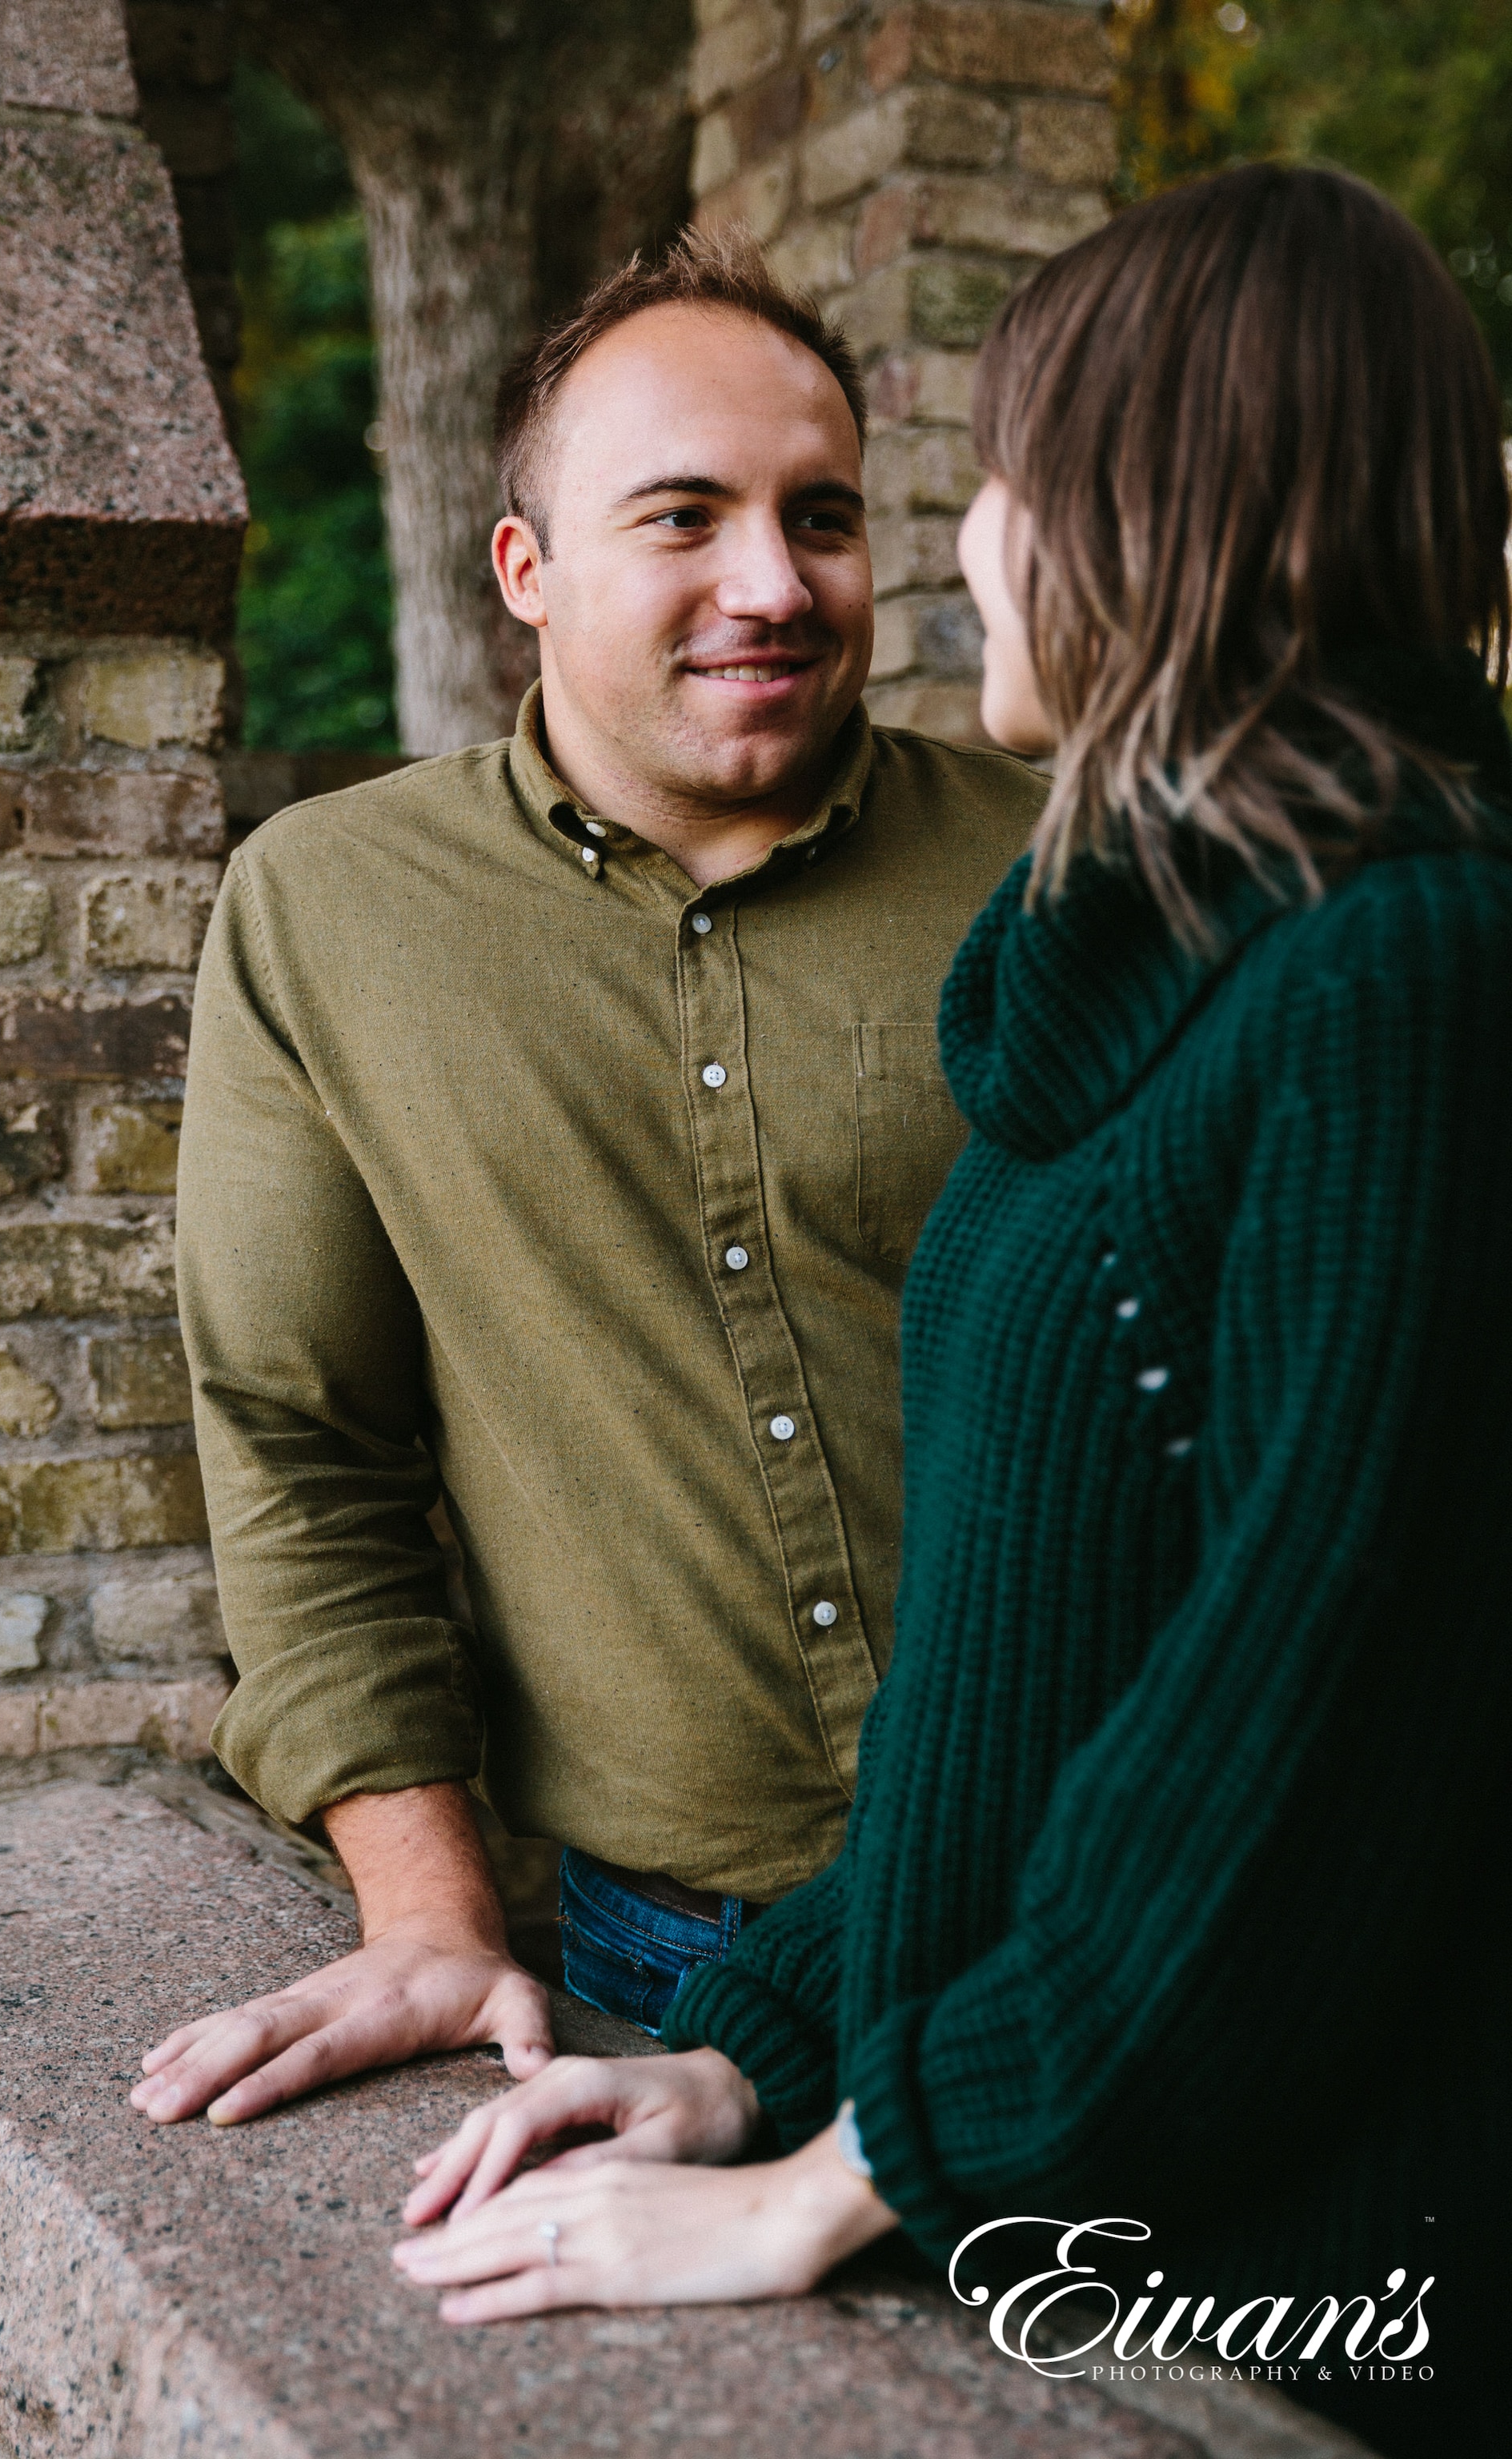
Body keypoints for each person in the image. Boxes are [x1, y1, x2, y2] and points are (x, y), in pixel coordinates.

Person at [389, 166, 1511, 2459]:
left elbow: (1300, 1746)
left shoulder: (1410, 978)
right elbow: (1021, 1691)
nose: (966, 544)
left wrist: (853, 2175)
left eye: (997, 477)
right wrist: (746, 2053)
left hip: (1305, 2307)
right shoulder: (1143, 988)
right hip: (1076, 2208)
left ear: (1148, 507)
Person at [135, 231, 1043, 2128]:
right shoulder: (329, 911)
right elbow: (302, 1441)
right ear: (525, 572)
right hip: (670, 1966)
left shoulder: (1064, 878)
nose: (773, 585)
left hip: (1107, 1891)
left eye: (823, 516)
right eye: (685, 517)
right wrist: (430, 1919)